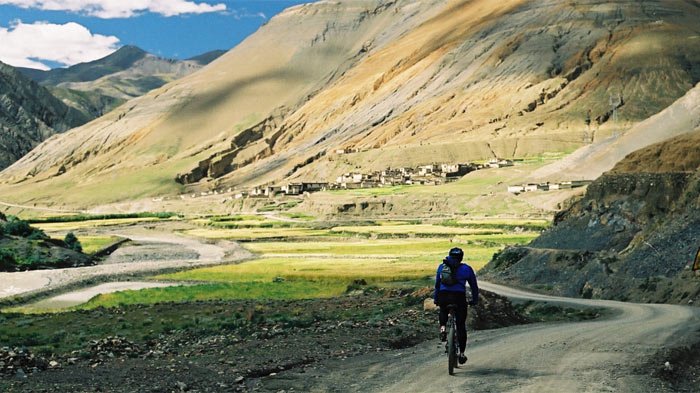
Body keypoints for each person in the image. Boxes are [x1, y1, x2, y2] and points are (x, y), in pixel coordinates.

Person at [434, 247, 479, 365]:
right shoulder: (467, 269)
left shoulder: (441, 267)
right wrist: (474, 300)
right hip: (459, 297)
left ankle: (443, 328)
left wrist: (436, 299)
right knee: (460, 325)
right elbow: (474, 286)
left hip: (444, 295)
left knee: (443, 309)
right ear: (461, 257)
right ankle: (462, 353)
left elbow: (437, 285)